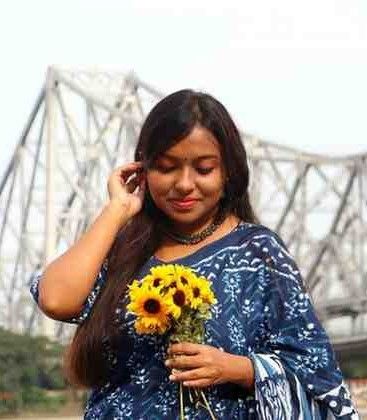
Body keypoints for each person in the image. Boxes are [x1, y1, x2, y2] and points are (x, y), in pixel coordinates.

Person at [30, 90, 358, 419]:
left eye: (203, 169)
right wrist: (118, 209)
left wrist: (237, 369)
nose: (185, 184)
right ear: (142, 169)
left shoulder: (258, 254)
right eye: (166, 167)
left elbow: (317, 375)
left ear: (227, 172)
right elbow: (56, 299)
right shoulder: (122, 250)